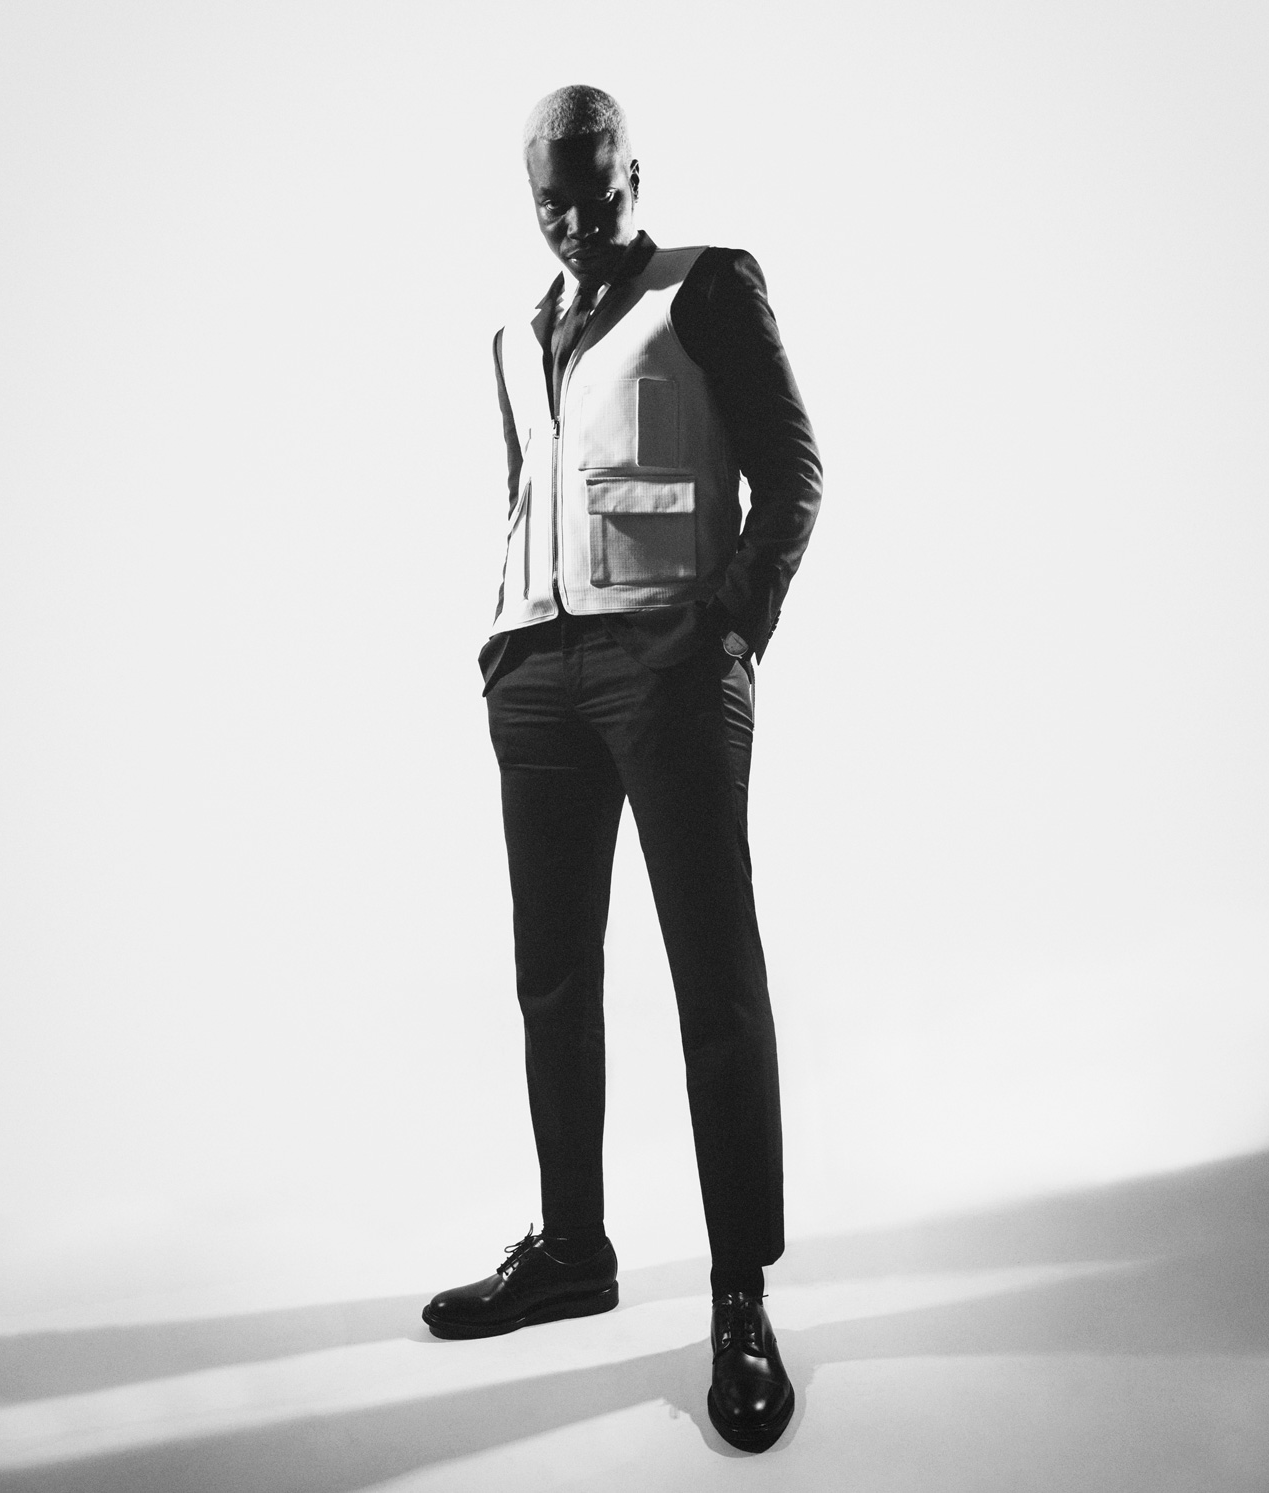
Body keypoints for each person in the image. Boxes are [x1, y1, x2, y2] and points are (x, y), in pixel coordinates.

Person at [421, 83, 822, 1455]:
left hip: (669, 665)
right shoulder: (509, 336)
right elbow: (528, 494)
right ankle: (572, 1248)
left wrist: (730, 630)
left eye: (598, 195)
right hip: (536, 677)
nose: (578, 223)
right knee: (552, 973)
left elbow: (794, 472)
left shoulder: (705, 287)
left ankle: (739, 1293)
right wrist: (503, 650)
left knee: (715, 974)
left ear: (633, 177)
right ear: (530, 201)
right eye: (554, 203)